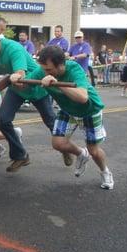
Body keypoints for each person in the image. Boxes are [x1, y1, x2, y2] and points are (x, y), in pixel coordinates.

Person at [0, 31, 69, 172]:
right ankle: (20, 156)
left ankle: (65, 147)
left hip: (36, 88)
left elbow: (20, 75)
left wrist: (16, 77)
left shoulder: (13, 49)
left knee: (50, 121)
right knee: (3, 120)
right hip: (16, 90)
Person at [22, 46, 113, 189]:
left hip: (89, 110)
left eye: (49, 70)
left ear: (61, 65)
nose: (45, 73)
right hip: (67, 110)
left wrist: (57, 83)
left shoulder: (74, 69)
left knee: (94, 151)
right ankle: (81, 154)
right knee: (58, 143)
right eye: (44, 69)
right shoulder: (43, 71)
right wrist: (17, 78)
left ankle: (105, 171)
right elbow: (25, 84)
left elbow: (83, 97)